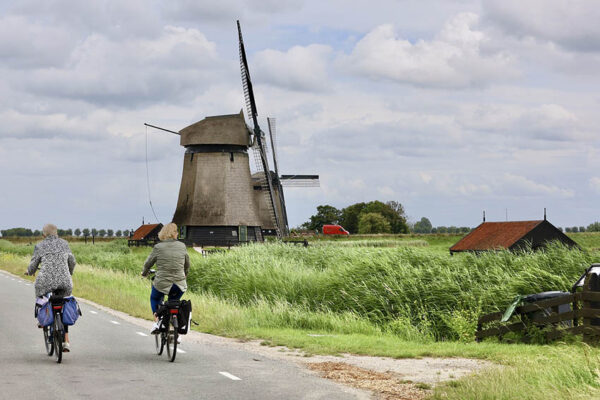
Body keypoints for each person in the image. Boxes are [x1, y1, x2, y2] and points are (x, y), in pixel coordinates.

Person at [26, 223, 76, 352]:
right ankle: (66, 340)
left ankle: (43, 318)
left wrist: (30, 272)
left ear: (44, 234)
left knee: (40, 293)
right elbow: (72, 261)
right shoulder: (64, 244)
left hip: (45, 281)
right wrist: (68, 273)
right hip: (65, 281)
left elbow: (33, 264)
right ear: (56, 233)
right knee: (64, 302)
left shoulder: (40, 246)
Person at [141, 223, 189, 334]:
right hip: (179, 284)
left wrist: (144, 273)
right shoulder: (182, 246)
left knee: (155, 298)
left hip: (162, 283)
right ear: (173, 233)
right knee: (174, 302)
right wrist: (185, 274)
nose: (177, 233)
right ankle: (176, 330)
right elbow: (187, 264)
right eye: (176, 231)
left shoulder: (158, 247)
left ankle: (157, 321)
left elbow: (148, 263)